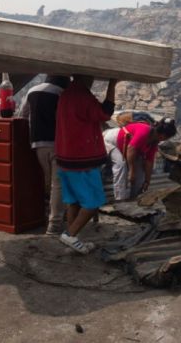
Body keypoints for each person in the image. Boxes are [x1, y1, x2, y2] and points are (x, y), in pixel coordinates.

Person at [55, 75, 117, 254]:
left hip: (65, 157)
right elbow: (105, 113)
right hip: (82, 160)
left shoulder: (66, 94)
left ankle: (73, 238)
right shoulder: (82, 95)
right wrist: (112, 83)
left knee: (73, 201)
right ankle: (70, 235)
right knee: (93, 202)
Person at [19, 75, 70, 235]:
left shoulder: (31, 91)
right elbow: (67, 118)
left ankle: (42, 216)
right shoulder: (61, 93)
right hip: (57, 143)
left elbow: (22, 114)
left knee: (46, 182)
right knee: (57, 185)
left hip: (37, 143)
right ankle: (54, 225)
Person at [104, 118, 177, 201]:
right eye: (167, 137)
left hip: (127, 148)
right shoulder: (144, 131)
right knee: (121, 165)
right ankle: (120, 199)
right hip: (112, 141)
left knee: (140, 170)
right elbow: (131, 149)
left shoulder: (154, 142)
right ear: (163, 136)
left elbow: (149, 161)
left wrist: (147, 181)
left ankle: (135, 197)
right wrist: (131, 172)